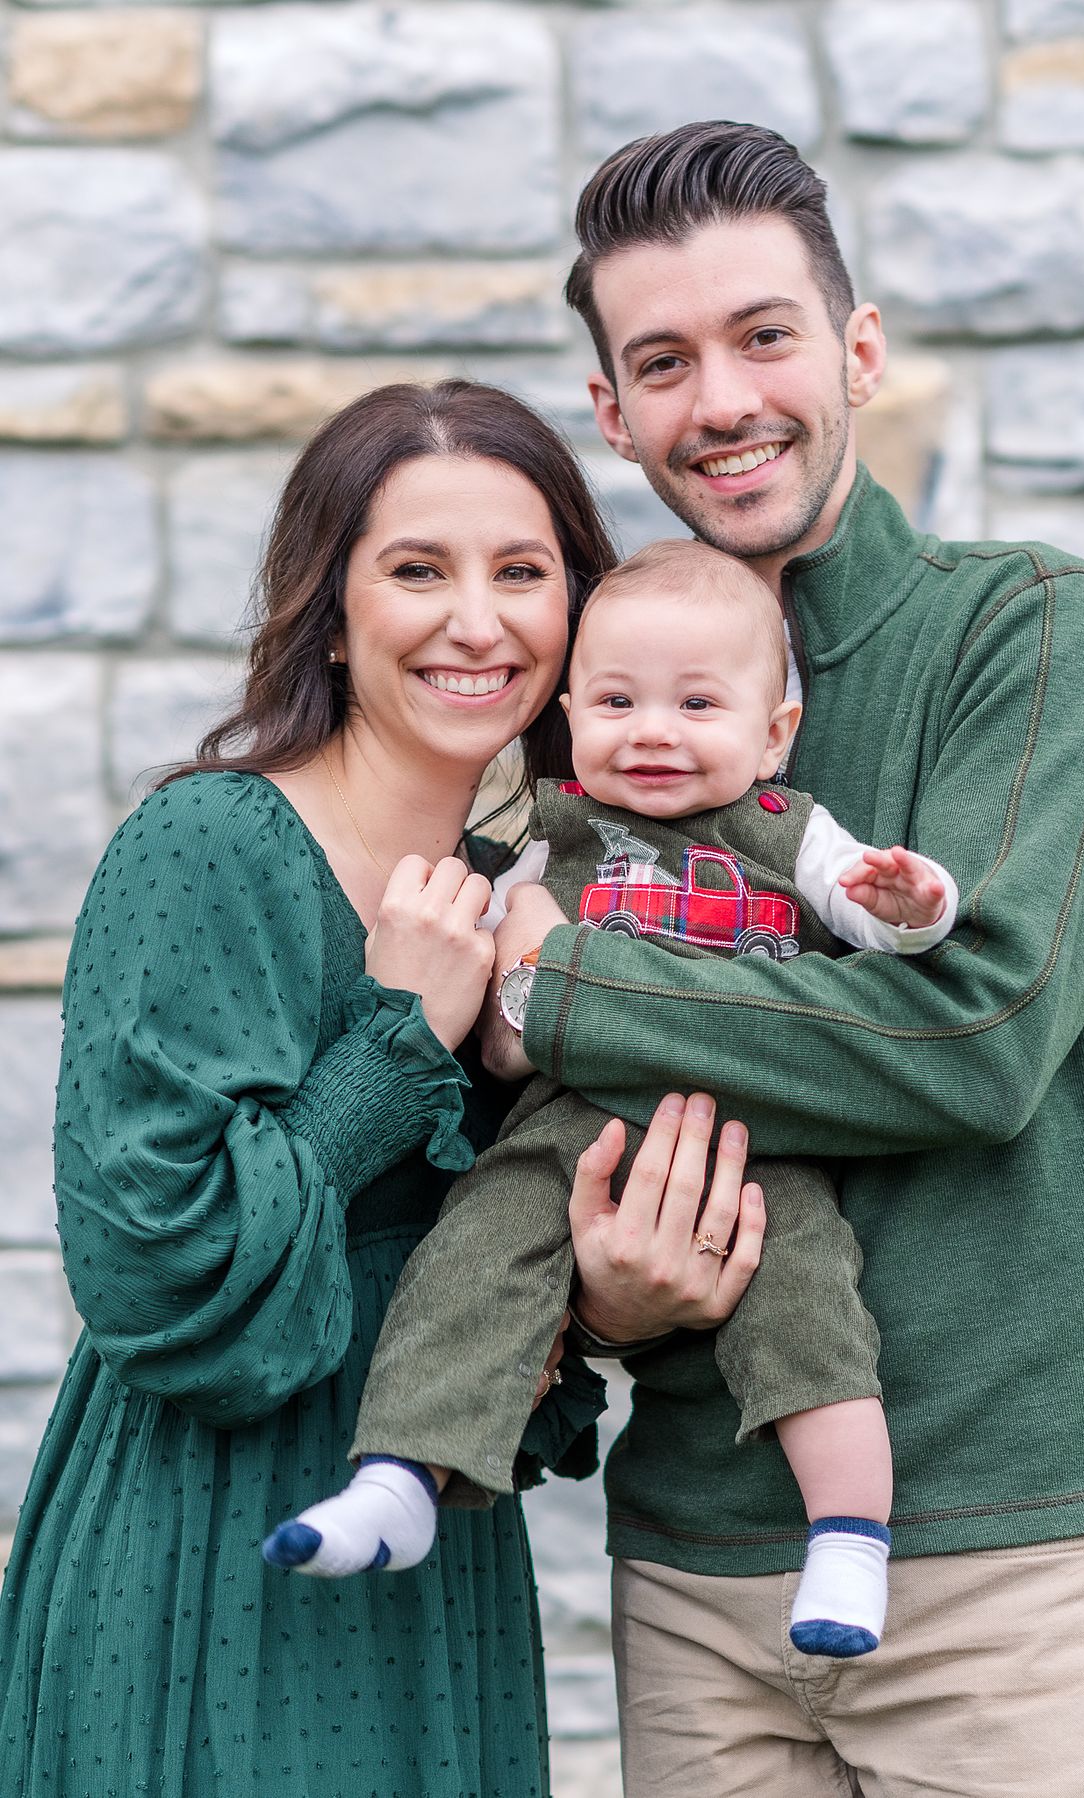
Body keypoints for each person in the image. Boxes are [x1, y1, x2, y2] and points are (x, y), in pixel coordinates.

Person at [482, 123, 1084, 1795]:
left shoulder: (1028, 626)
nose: (720, 397)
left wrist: (562, 986)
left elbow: (977, 1030)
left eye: (764, 335)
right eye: (664, 361)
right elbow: (513, 1134)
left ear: (857, 350)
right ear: (614, 411)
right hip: (695, 1564)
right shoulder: (584, 704)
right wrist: (592, 1290)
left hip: (1001, 1565)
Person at [0, 378, 632, 1797]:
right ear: (329, 610)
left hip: (435, 1551)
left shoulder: (523, 902)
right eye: (418, 569)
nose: (479, 621)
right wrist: (401, 1031)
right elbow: (150, 1267)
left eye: (523, 573)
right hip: (208, 1545)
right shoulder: (208, 844)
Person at [262, 537, 956, 1666]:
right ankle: (399, 1476)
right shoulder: (548, 833)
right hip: (570, 1129)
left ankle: (849, 1534)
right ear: (574, 710)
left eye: (697, 703)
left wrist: (911, 903)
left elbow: (885, 921)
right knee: (479, 1247)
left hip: (757, 1135)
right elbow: (492, 979)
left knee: (811, 1305)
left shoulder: (791, 830)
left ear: (773, 731)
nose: (653, 731)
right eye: (620, 700)